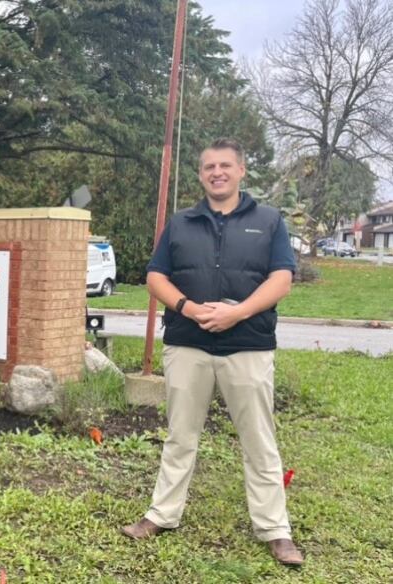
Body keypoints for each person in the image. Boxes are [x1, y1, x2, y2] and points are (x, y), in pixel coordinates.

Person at [120, 138, 303, 567]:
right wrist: (186, 307)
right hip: (188, 344)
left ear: (241, 171)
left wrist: (237, 313)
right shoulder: (181, 223)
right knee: (180, 436)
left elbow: (282, 279)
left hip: (248, 346)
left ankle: (275, 530)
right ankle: (161, 515)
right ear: (200, 174)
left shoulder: (269, 220)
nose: (216, 173)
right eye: (208, 167)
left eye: (225, 166)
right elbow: (155, 277)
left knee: (260, 440)